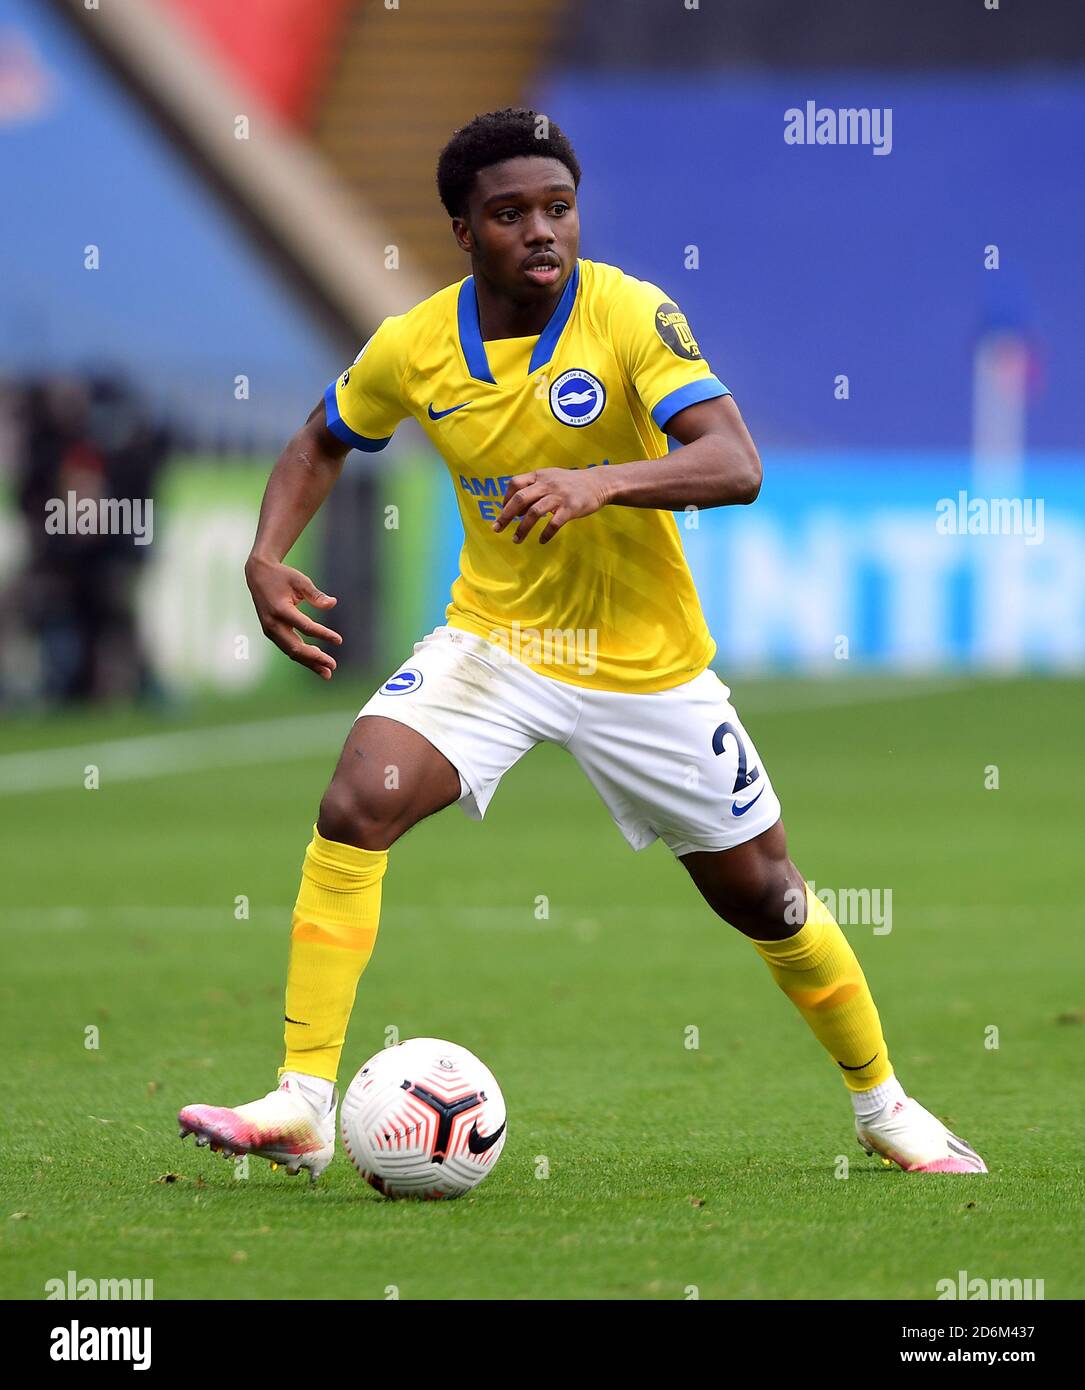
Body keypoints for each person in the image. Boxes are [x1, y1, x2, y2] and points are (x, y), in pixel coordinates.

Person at [179, 109, 985, 1181]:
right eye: (508, 214)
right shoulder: (416, 345)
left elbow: (733, 463)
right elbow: (319, 439)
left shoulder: (628, 315)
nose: (541, 232)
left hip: (643, 668)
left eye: (557, 208)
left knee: (766, 895)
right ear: (461, 231)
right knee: (356, 798)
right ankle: (301, 1098)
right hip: (496, 642)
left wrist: (599, 480)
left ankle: (883, 1105)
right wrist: (266, 550)